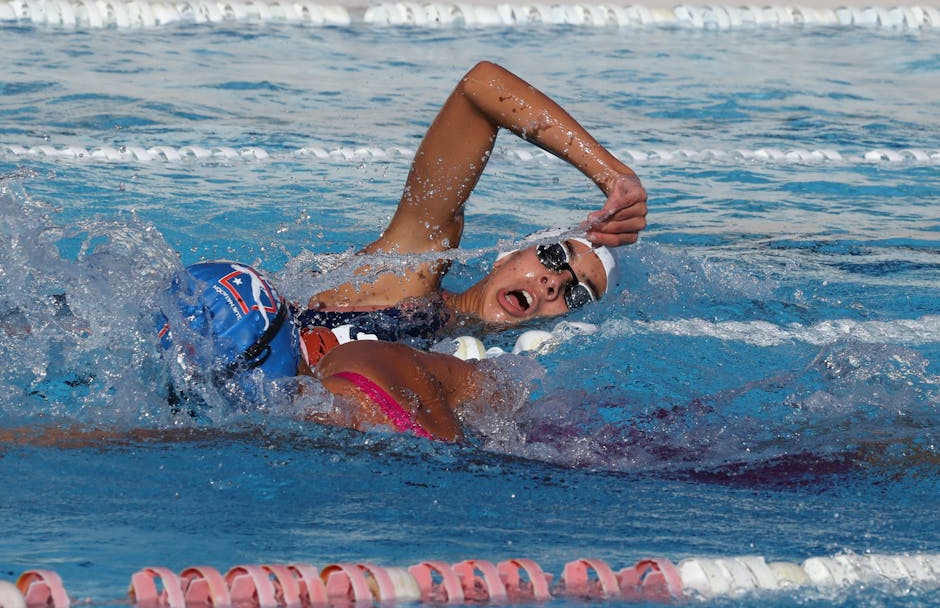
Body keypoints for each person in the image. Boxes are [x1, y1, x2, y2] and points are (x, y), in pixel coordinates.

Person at [165, 61, 647, 442]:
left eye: (577, 294)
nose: (552, 282)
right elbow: (481, 89)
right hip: (210, 338)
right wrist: (612, 175)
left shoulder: (475, 374)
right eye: (553, 257)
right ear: (508, 257)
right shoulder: (409, 272)